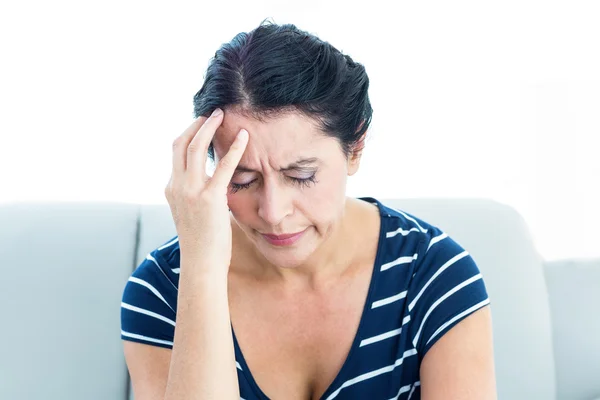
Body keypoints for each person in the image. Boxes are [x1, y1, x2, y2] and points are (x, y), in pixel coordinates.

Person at [120, 20, 497, 400]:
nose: (272, 212)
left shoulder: (432, 275)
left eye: (301, 175)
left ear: (356, 148)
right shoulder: (165, 289)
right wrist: (201, 267)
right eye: (242, 180)